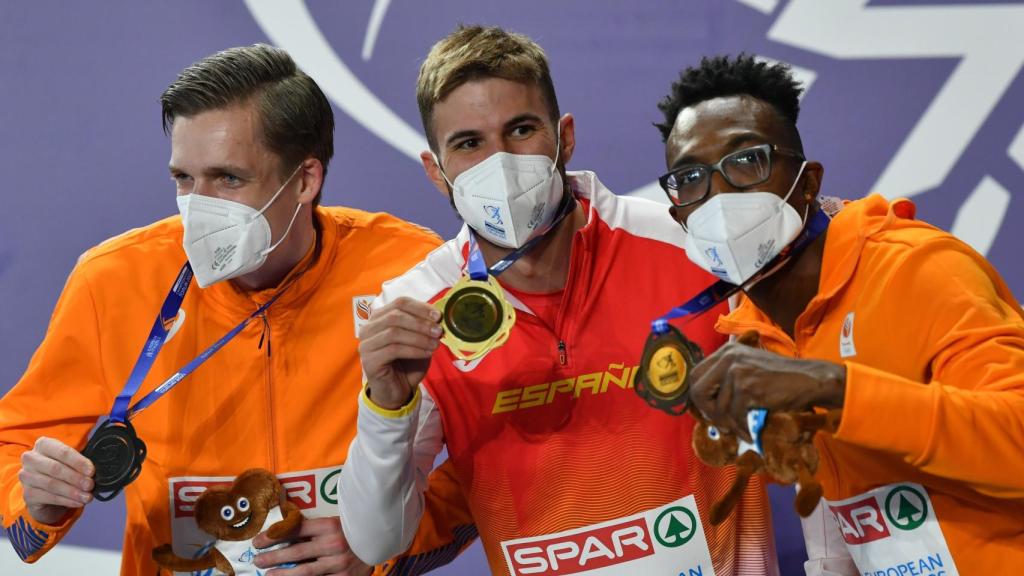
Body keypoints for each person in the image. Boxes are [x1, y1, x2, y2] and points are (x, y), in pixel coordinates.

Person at [340, 26, 780, 576]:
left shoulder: (694, 247)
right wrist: (386, 405)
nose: (500, 162)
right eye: (469, 143)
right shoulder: (417, 306)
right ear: (436, 170)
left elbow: (822, 426)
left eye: (521, 130)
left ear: (564, 137)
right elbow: (376, 542)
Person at [0, 44, 444, 576]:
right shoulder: (114, 280)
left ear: (305, 179)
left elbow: (497, 444)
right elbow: (14, 440)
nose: (199, 208)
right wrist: (37, 498)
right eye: (184, 180)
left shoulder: (407, 270)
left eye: (228, 179)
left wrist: (385, 542)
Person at [656, 54, 1024, 574]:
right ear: (679, 216)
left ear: (807, 183)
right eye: (691, 177)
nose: (718, 196)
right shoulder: (753, 332)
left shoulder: (916, 269)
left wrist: (834, 386)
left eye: (747, 161)